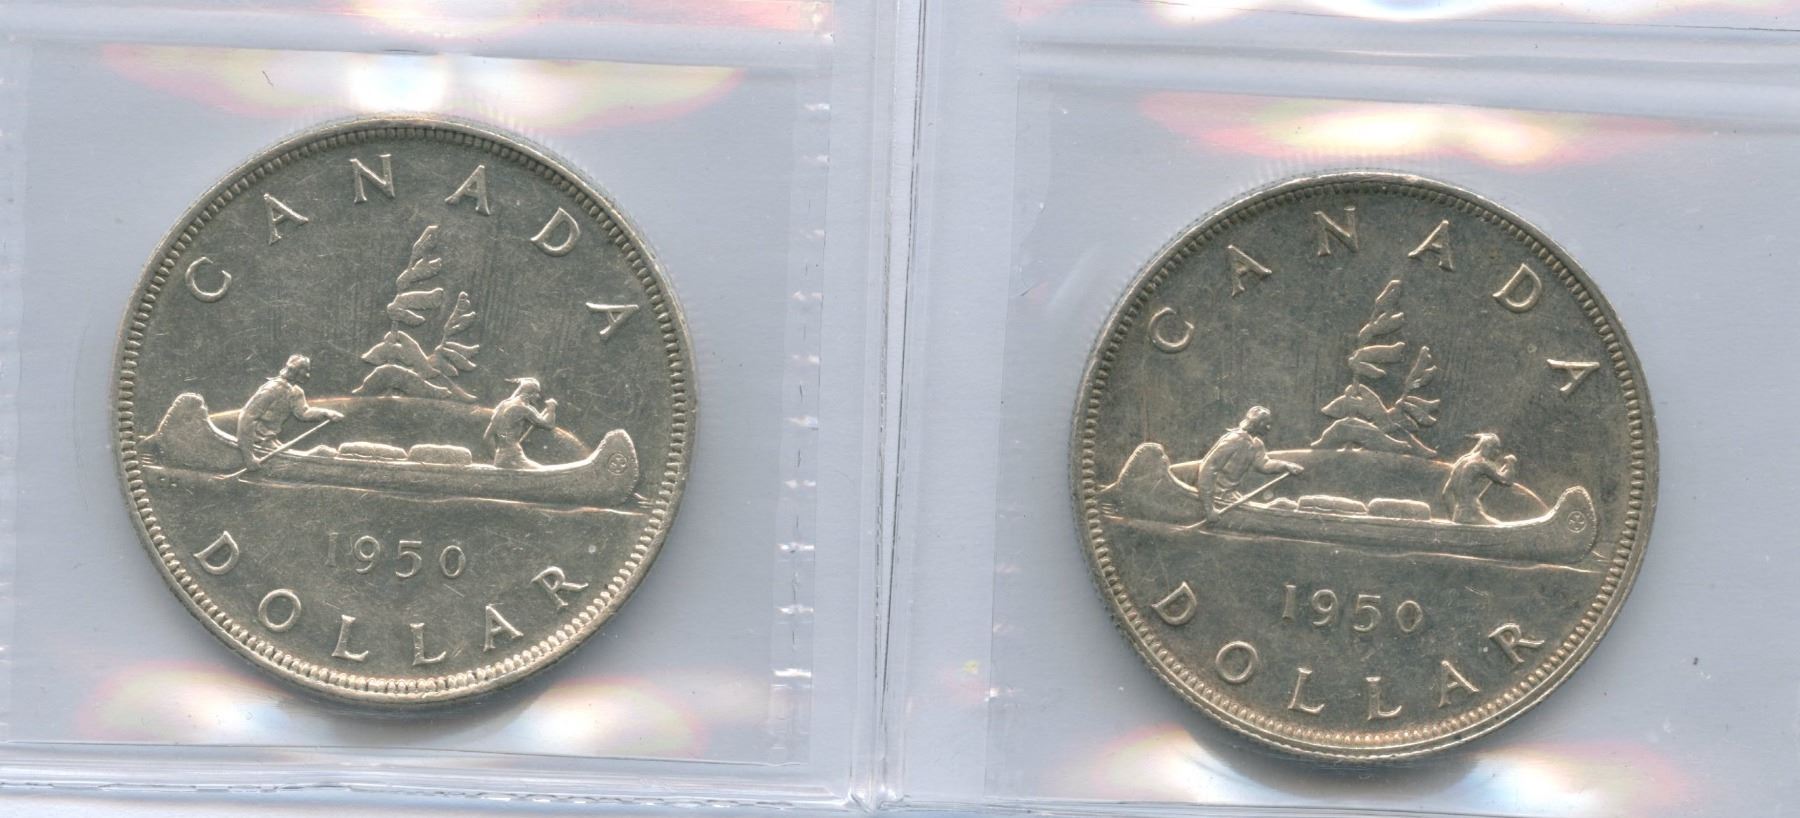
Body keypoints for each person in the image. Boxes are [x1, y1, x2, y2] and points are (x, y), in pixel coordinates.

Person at [1193, 405, 1304, 521]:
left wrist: (1286, 466)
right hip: (1216, 495)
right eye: (1265, 423)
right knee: (1260, 515)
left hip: (1230, 495)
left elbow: (1264, 464)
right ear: (1255, 422)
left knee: (1266, 508)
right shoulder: (1235, 440)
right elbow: (1208, 468)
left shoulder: (1256, 444)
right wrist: (1209, 508)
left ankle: (1276, 505)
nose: (1269, 427)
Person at [236, 353, 343, 471]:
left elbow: (304, 412)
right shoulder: (273, 389)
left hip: (270, 440)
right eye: (305, 370)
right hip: (257, 441)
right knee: (304, 458)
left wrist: (326, 413)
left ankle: (317, 453)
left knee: (306, 454)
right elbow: (247, 416)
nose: (308, 374)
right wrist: (248, 457)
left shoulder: (295, 391)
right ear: (295, 370)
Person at [1440, 432, 1517, 524]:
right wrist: (1510, 463)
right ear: (1486, 446)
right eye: (1495, 448)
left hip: (1458, 515)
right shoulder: (1482, 464)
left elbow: (1446, 492)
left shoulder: (1462, 460)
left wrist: (1455, 521)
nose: (1498, 452)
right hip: (1473, 513)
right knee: (1500, 528)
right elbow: (1506, 480)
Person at [484, 377, 558, 469]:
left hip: (500, 457)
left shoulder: (503, 404)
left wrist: (497, 459)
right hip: (514, 457)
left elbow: (487, 437)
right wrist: (551, 409)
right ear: (529, 394)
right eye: (536, 393)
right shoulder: (523, 408)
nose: (538, 396)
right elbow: (549, 425)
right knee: (543, 472)